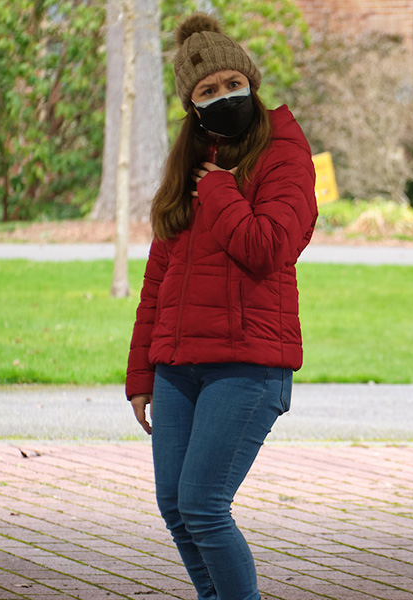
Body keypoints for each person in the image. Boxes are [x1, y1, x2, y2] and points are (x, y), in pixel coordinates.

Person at [125, 13, 317, 600]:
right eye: (207, 90)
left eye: (232, 82)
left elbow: (269, 246)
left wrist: (220, 188)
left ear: (252, 84)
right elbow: (158, 279)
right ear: (192, 105)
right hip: (179, 366)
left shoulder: (283, 154)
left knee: (204, 505)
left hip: (249, 364)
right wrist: (140, 374)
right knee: (175, 507)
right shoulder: (189, 164)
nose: (223, 95)